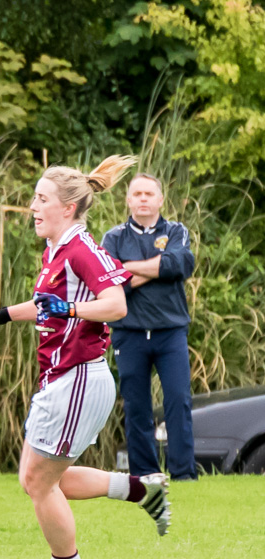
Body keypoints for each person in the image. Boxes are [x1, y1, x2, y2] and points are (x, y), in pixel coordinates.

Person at [0, 156, 171, 559]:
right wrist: (1, 315)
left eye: (42, 199)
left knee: (40, 483)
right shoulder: (56, 249)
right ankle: (141, 489)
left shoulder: (81, 249)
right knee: (38, 479)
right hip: (63, 377)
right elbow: (46, 304)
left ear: (69, 208)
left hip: (78, 375)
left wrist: (73, 309)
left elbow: (115, 304)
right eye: (34, 198)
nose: (33, 206)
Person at [102, 174, 198, 481]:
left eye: (149, 193)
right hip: (129, 333)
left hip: (170, 332)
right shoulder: (113, 238)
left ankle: (183, 475)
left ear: (160, 199)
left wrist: (126, 267)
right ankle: (145, 475)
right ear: (128, 200)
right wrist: (157, 267)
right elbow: (110, 282)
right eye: (137, 194)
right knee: (136, 407)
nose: (143, 198)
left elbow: (178, 265)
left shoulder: (176, 231)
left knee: (178, 401)